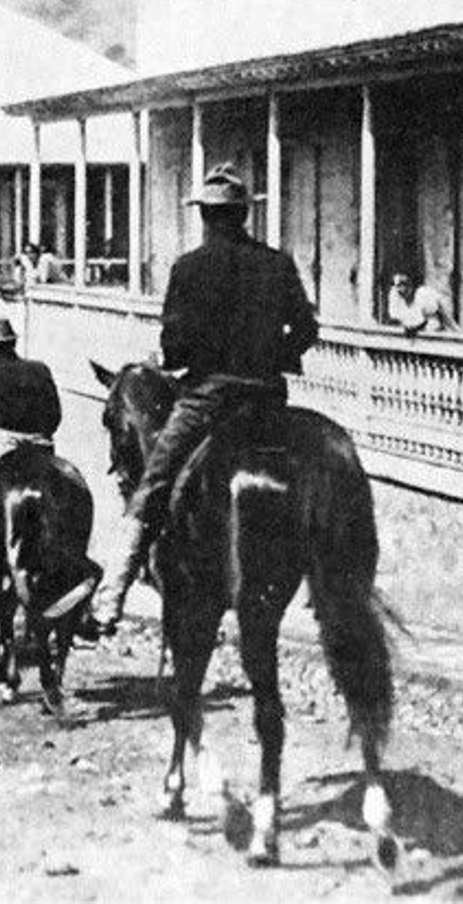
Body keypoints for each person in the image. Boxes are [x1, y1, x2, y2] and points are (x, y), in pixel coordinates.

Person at [90, 163, 318, 634]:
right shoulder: (277, 263)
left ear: (205, 217)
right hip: (269, 398)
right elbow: (307, 330)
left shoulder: (188, 267)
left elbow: (174, 347)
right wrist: (276, 354)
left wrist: (184, 355)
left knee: (154, 482)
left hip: (208, 399)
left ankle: (110, 599)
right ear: (243, 215)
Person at [0, 316, 101, 615]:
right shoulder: (40, 369)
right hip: (43, 444)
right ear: (12, 343)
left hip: (5, 446)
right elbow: (56, 415)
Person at [386, 272, 457, 333]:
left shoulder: (423, 295)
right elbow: (397, 319)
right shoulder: (395, 297)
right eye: (398, 286)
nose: (401, 289)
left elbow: (438, 319)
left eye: (405, 284)